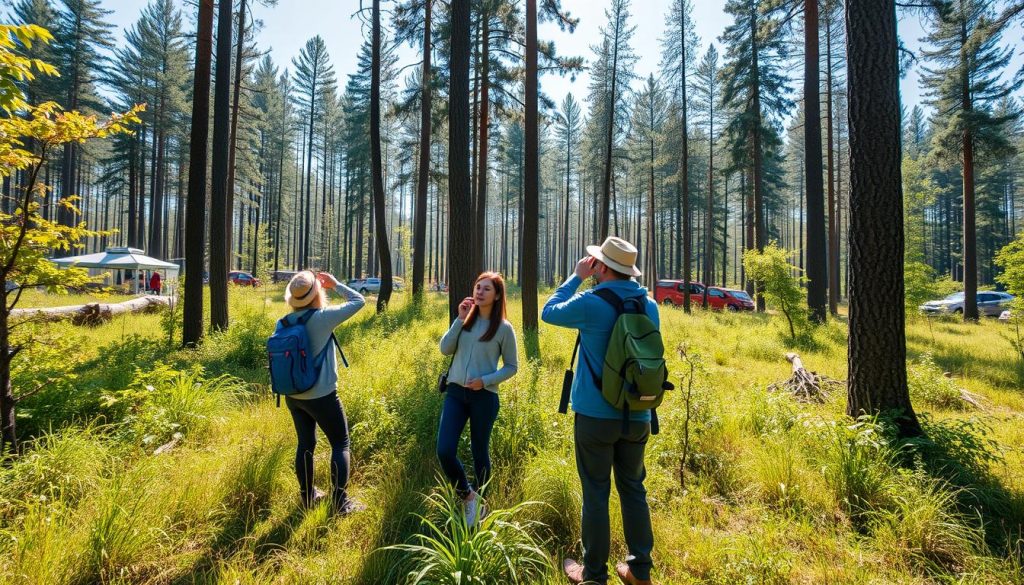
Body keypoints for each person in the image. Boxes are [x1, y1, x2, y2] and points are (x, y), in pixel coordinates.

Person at [541, 237, 659, 585]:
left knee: (596, 491)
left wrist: (575, 276)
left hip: (595, 416)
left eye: (595, 264)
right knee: (634, 489)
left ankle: (594, 575)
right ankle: (639, 570)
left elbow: (549, 312)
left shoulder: (590, 301)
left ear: (601, 267)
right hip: (638, 413)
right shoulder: (648, 304)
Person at [437, 271, 519, 525]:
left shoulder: (504, 329)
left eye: (486, 289)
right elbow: (444, 349)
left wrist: (486, 380)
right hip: (455, 393)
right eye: (477, 287)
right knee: (445, 450)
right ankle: (468, 496)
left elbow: (512, 366)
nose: (479, 292)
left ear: (496, 296)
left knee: (478, 449)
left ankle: (480, 504)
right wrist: (458, 320)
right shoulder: (465, 320)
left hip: (484, 397)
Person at [281, 270, 366, 513]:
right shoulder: (322, 317)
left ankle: (308, 497)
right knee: (341, 443)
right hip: (322, 395)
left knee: (305, 444)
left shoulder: (285, 321)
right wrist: (336, 283)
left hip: (293, 395)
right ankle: (340, 503)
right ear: (317, 293)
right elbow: (358, 301)